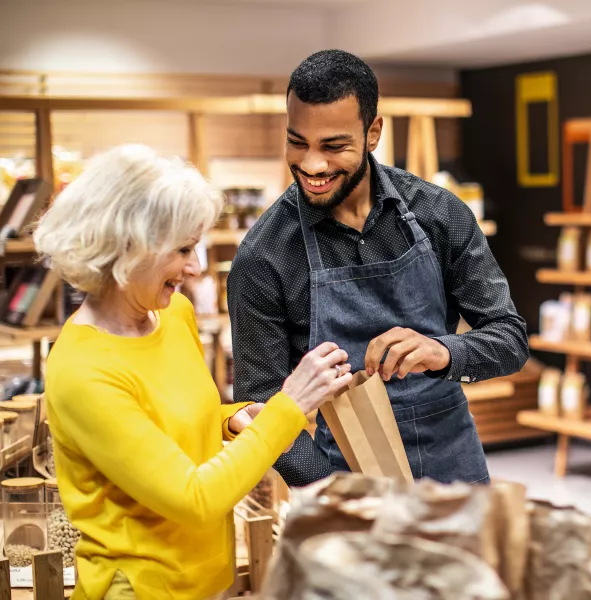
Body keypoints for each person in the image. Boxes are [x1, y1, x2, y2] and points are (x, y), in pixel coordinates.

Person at [33, 144, 353, 600]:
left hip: (204, 579)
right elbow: (195, 499)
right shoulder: (83, 371)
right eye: (183, 249)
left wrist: (231, 419)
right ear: (127, 248)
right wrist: (289, 405)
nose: (196, 267)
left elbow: (169, 422)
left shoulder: (172, 314)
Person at [228, 49, 528, 487]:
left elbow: (510, 338)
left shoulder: (438, 214)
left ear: (372, 133)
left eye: (334, 146)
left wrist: (443, 352)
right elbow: (260, 409)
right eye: (298, 142)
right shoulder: (265, 257)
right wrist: (335, 488)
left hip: (454, 471)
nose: (312, 165)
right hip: (344, 479)